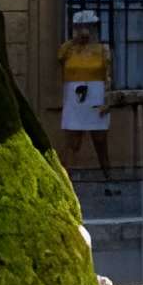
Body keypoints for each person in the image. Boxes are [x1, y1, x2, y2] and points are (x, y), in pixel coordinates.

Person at [58, 10, 111, 178]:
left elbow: (109, 77)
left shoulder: (103, 50)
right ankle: (65, 179)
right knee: (73, 142)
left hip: (96, 98)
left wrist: (107, 102)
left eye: (89, 27)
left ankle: (108, 177)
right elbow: (59, 58)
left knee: (100, 141)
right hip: (74, 100)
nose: (84, 32)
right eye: (80, 27)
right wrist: (73, 42)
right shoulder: (68, 49)